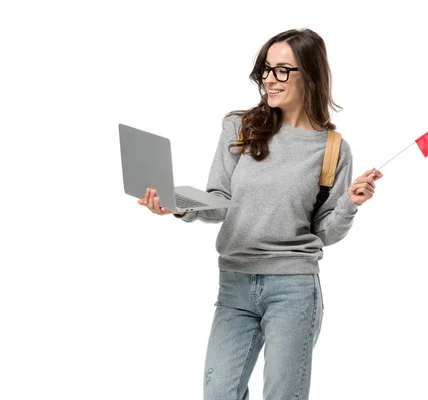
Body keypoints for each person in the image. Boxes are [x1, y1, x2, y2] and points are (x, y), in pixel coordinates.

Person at [138, 28, 382, 400]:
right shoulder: (240, 127)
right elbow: (220, 198)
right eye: (266, 69)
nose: (270, 79)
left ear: (311, 75)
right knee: (220, 392)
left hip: (293, 289)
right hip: (234, 282)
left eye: (283, 70)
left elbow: (326, 232)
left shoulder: (333, 149)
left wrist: (350, 202)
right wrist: (179, 206)